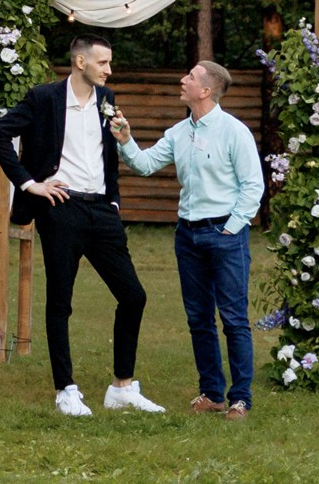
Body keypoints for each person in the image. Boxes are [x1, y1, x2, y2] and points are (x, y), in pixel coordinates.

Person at [0, 37, 163, 417]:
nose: (108, 70)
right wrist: (30, 183)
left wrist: (113, 199)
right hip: (60, 208)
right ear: (80, 62)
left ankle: (122, 387)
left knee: (134, 296)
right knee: (60, 301)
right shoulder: (44, 98)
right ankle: (65, 389)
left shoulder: (106, 97)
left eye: (109, 63)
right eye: (103, 62)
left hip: (102, 211)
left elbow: (108, 152)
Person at [115, 59, 264, 419]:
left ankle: (240, 398)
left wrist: (231, 227)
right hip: (188, 236)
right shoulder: (179, 132)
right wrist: (125, 140)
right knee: (198, 319)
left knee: (233, 319)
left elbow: (253, 186)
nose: (183, 80)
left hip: (225, 236)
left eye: (191, 77)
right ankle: (212, 393)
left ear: (206, 90)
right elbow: (146, 164)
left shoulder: (234, 132)